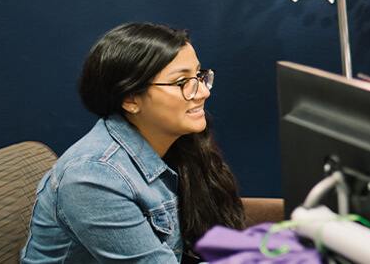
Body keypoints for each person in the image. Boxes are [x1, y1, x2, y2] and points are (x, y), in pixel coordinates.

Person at [22, 23, 247, 263]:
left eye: (199, 76)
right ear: (130, 99)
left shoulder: (180, 142)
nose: (203, 91)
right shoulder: (93, 176)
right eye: (182, 82)